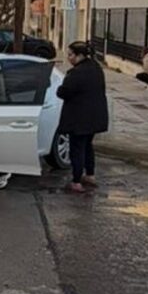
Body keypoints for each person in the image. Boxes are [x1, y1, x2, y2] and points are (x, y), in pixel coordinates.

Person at [56, 41, 109, 194]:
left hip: (79, 118)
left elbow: (64, 92)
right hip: (95, 116)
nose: (68, 58)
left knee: (77, 149)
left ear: (79, 55)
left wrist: (60, 88)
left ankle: (76, 181)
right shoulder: (96, 68)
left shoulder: (76, 73)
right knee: (87, 146)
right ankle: (90, 175)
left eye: (71, 54)